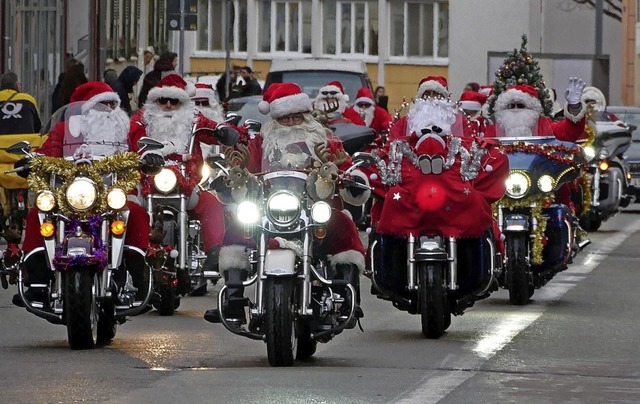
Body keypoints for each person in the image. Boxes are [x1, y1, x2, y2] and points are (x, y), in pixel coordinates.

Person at [204, 82, 369, 324]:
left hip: (314, 209)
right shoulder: (260, 143)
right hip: (269, 209)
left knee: (344, 223)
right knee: (237, 228)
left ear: (306, 115)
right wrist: (233, 176)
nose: (291, 123)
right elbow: (245, 173)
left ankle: (347, 297)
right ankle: (233, 299)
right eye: (284, 118)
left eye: (296, 117)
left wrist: (348, 177)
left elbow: (342, 169)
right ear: (275, 119)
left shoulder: (326, 141)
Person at [10, 81, 159, 306]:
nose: (110, 109)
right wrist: (31, 160)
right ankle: (38, 282)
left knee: (136, 213)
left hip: (114, 192)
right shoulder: (65, 129)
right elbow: (46, 151)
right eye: (103, 104)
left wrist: (149, 157)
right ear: (87, 109)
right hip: (70, 195)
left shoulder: (126, 127)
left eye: (113, 103)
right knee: (37, 215)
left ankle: (141, 280)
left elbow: (141, 147)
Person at [129, 73, 239, 284]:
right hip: (147, 180)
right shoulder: (143, 118)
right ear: (155, 100)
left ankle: (214, 252)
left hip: (186, 181)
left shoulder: (193, 118)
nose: (168, 106)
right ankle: (133, 256)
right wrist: (142, 153)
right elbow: (133, 136)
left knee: (213, 204)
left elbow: (211, 128)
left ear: (183, 102)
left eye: (175, 101)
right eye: (163, 100)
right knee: (127, 209)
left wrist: (225, 131)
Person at [484, 78, 587, 142]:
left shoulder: (544, 127)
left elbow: (568, 132)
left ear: (532, 108)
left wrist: (574, 107)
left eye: (520, 105)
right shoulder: (492, 131)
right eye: (511, 106)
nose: (515, 110)